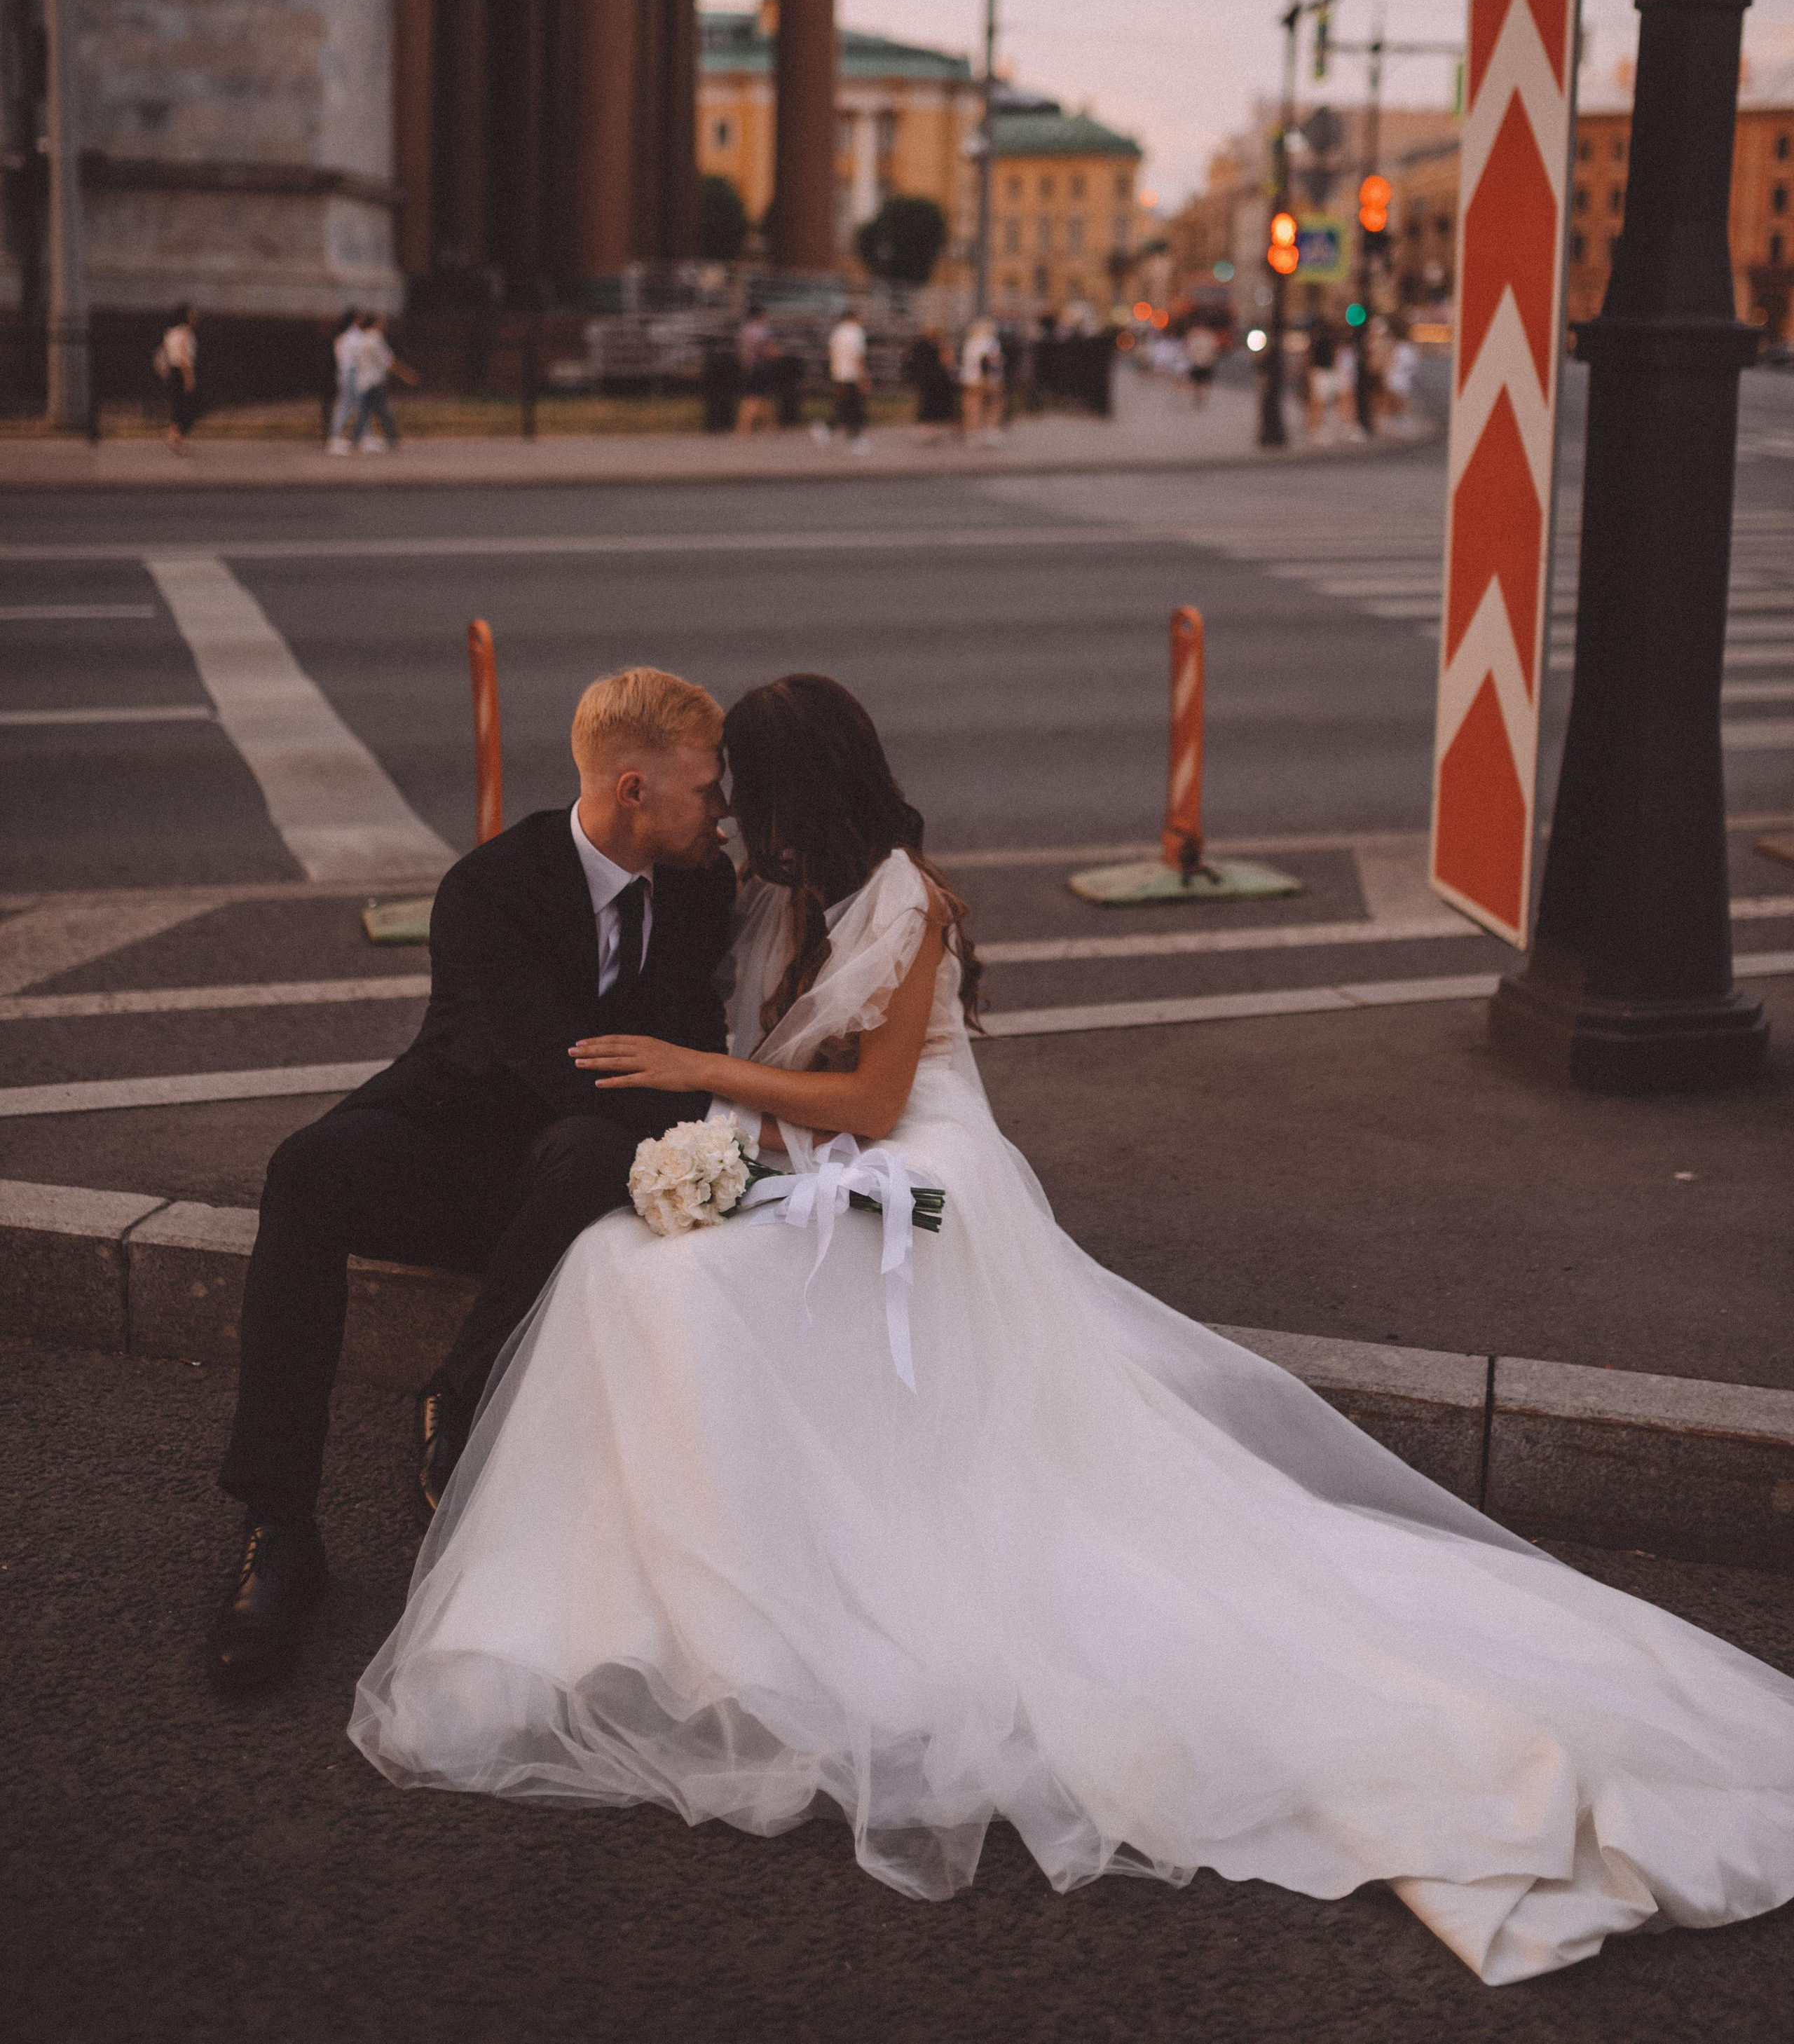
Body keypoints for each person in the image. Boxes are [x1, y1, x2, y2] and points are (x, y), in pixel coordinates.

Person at [352, 673, 1794, 1988]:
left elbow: (866, 1105)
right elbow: (764, 1076)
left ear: (804, 792)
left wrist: (699, 1079)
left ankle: (794, 1571)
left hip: (917, 1191)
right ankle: (684, 1586)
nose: (724, 809)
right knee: (629, 1272)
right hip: (810, 1167)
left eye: (743, 788)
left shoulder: (906, 905)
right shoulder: (776, 898)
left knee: (701, 1289)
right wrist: (706, 1132)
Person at [205, 668, 737, 1693]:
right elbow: (559, 1063)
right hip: (457, 1147)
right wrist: (678, 1093)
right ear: (634, 789)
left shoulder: (705, 887)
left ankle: (457, 1390)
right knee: (306, 1168)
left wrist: (694, 1098)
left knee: (585, 1146)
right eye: (708, 787)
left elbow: (688, 1043)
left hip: (577, 1169)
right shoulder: (491, 888)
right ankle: (279, 1532)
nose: (723, 810)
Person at [349, 313, 418, 453]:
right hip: (373, 382)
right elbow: (388, 360)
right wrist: (406, 374)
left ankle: (357, 440)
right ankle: (392, 440)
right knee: (382, 411)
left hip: (364, 381)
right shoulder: (375, 339)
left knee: (368, 412)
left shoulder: (363, 338)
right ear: (375, 323)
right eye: (382, 321)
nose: (385, 324)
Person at [819, 306, 870, 453]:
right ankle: (855, 439)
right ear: (854, 317)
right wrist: (864, 376)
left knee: (844, 405)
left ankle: (826, 428)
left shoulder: (837, 332)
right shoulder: (856, 332)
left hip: (838, 374)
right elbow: (858, 356)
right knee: (856, 408)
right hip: (852, 375)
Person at [153, 306, 200, 451]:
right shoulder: (186, 332)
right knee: (189, 405)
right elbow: (184, 355)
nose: (195, 316)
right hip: (182, 370)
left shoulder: (170, 333)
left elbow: (164, 354)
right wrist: (189, 377)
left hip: (172, 371)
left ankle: (175, 437)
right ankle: (175, 435)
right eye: (192, 314)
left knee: (177, 404)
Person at [326, 309, 366, 455]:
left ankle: (358, 437)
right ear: (355, 318)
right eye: (360, 316)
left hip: (344, 372)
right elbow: (359, 355)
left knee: (356, 405)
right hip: (351, 372)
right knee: (348, 405)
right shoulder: (354, 335)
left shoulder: (343, 335)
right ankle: (335, 438)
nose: (363, 319)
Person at [734, 306, 777, 435]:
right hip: (760, 366)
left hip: (749, 366)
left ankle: (771, 425)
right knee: (754, 397)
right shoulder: (762, 331)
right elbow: (768, 349)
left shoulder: (745, 329)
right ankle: (743, 427)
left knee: (764, 397)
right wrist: (776, 353)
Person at [959, 316, 1002, 443]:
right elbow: (993, 360)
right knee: (993, 404)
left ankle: (972, 434)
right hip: (988, 378)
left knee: (972, 405)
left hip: (970, 378)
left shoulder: (970, 343)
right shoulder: (991, 342)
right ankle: (991, 432)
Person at [1183, 317, 1218, 406]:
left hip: (1202, 361)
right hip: (1199, 361)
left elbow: (1212, 349)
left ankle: (1200, 397)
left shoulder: (1206, 336)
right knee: (1198, 381)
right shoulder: (1197, 335)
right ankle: (1198, 397)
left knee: (1201, 381)